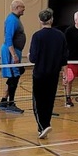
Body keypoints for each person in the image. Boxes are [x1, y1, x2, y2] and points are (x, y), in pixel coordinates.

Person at [29, 8, 68, 140]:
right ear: (51, 20)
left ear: (40, 21)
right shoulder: (60, 35)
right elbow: (64, 57)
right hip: (53, 74)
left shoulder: (37, 36)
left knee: (38, 102)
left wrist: (29, 55)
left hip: (40, 74)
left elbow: (33, 58)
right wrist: (65, 73)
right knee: (49, 100)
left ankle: (42, 126)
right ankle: (46, 124)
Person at [0, 0, 26, 114]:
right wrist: (13, 54)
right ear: (17, 7)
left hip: (15, 51)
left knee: (16, 74)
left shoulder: (16, 19)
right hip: (11, 52)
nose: (24, 10)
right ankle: (10, 103)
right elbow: (8, 38)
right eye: (22, 7)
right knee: (15, 76)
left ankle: (4, 101)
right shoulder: (11, 20)